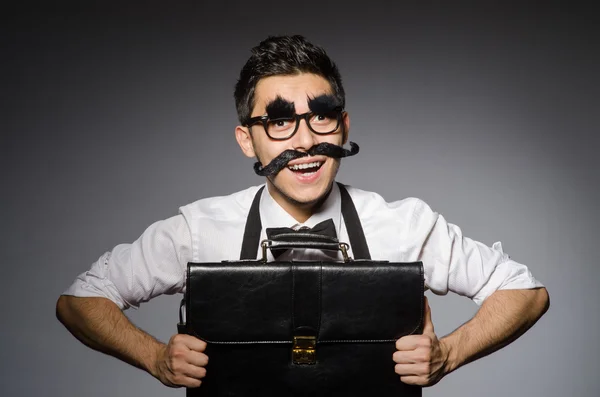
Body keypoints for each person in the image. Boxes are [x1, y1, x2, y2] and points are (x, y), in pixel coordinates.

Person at [56, 35, 549, 389]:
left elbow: (526, 293)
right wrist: (156, 358)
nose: (306, 141)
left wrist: (449, 354)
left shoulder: (404, 224)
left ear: (343, 125)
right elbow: (79, 301)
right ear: (246, 139)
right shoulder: (199, 228)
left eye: (322, 115)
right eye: (278, 121)